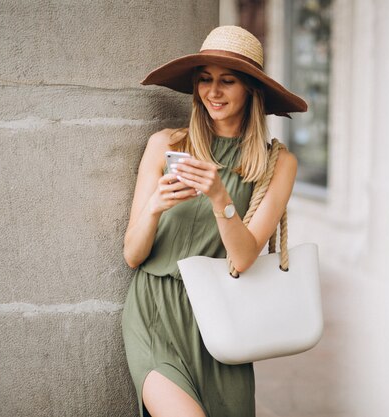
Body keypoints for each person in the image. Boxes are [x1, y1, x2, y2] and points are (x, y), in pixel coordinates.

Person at [121, 26, 307, 417]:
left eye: (228, 81)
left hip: (222, 318)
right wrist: (154, 206)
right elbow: (133, 256)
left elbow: (242, 259)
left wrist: (221, 197)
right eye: (204, 79)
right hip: (157, 312)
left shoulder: (278, 164)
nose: (213, 92)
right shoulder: (167, 145)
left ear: (252, 90)